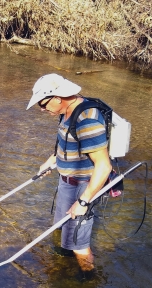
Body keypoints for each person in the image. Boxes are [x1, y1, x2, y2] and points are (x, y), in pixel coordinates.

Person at [26, 73, 112, 277]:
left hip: (84, 185)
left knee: (79, 244)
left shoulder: (86, 120)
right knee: (62, 227)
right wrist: (52, 160)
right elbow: (70, 142)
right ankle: (62, 263)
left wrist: (83, 202)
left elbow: (104, 165)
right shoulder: (66, 112)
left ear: (58, 97)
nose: (41, 108)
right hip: (68, 181)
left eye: (43, 103)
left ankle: (88, 282)